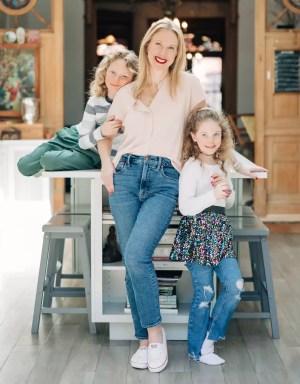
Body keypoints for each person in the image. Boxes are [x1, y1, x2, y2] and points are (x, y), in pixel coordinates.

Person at [97, 18, 265, 374]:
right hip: (126, 175)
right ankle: (145, 338)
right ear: (146, 47)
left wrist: (241, 164)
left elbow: (210, 127)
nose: (164, 53)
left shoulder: (188, 84)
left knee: (138, 252)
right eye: (158, 45)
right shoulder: (127, 91)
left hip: (164, 179)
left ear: (179, 53)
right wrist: (106, 164)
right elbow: (106, 133)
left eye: (172, 48)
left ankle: (153, 334)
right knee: (132, 259)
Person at [169, 107, 244, 365]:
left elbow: (230, 203)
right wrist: (212, 194)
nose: (211, 140)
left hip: (220, 235)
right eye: (204, 134)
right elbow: (186, 207)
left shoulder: (223, 165)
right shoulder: (192, 166)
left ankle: (210, 340)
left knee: (235, 286)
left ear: (222, 137)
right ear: (194, 136)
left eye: (216, 134)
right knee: (205, 293)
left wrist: (224, 189)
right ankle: (195, 350)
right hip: (198, 235)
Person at [17, 50, 138, 176]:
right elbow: (83, 141)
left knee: (47, 160)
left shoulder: (133, 106)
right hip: (75, 137)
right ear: (105, 71)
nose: (116, 79)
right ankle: (53, 158)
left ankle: (52, 161)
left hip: (93, 154)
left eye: (124, 76)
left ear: (132, 81)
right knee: (25, 166)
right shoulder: (95, 101)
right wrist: (101, 131)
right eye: (113, 72)